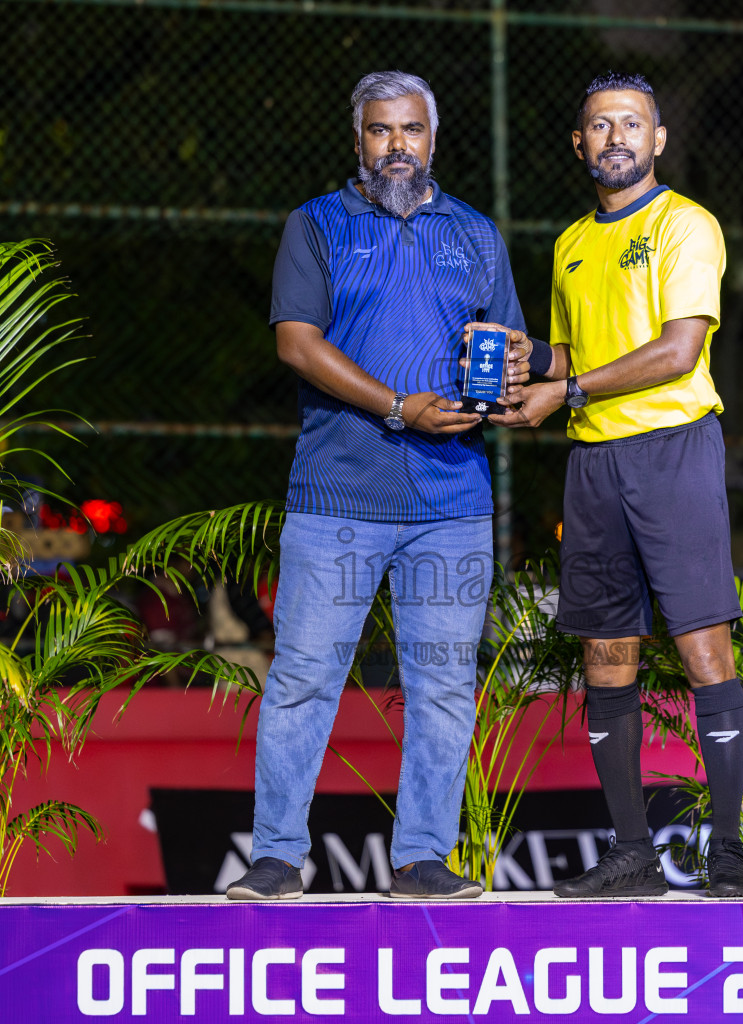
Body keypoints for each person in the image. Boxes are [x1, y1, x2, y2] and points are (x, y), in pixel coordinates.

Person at [225, 71, 530, 901]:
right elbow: (296, 344)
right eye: (379, 131)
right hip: (335, 502)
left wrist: (507, 381)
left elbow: (508, 346)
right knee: (301, 680)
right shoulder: (317, 224)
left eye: (411, 131)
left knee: (442, 684)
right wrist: (401, 407)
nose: (397, 145)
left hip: (452, 507)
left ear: (434, 138)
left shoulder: (474, 233)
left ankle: (423, 859)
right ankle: (279, 858)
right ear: (357, 140)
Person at [493, 71, 743, 898]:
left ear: (658, 140)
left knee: (702, 646)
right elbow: (576, 354)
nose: (615, 137)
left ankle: (727, 853)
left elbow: (679, 350)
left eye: (631, 124)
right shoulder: (573, 243)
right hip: (595, 464)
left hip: (673, 450)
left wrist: (563, 390)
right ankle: (632, 854)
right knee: (607, 656)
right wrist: (525, 358)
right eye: (600, 126)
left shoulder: (686, 225)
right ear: (580, 144)